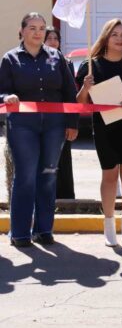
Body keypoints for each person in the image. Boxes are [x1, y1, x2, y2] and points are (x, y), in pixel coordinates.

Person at [0, 13, 78, 247]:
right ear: (22, 30)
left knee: (48, 174)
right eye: (32, 28)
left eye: (42, 28)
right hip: (23, 125)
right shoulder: (10, 59)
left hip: (54, 125)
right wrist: (7, 96)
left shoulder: (57, 57)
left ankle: (44, 230)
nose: (38, 32)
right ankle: (20, 233)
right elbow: (1, 91)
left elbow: (68, 92)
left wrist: (72, 122)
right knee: (25, 177)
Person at [75, 19, 122, 247]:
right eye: (114, 34)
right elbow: (80, 104)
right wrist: (86, 88)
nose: (119, 38)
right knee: (109, 175)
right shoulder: (90, 66)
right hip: (105, 128)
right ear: (106, 37)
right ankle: (108, 225)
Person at [43, 27, 76, 200]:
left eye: (56, 38)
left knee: (62, 160)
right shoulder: (35, 61)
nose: (54, 42)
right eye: (50, 38)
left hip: (60, 120)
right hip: (39, 121)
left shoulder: (66, 62)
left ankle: (65, 197)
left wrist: (72, 122)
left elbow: (70, 94)